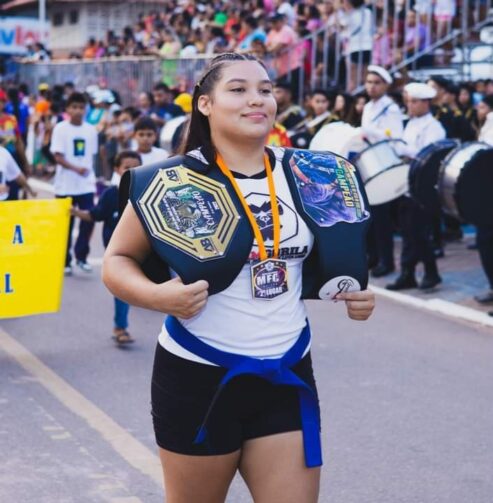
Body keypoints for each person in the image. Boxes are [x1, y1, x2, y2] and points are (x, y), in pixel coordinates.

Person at [102, 52, 375, 502]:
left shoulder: (312, 174)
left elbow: (323, 263)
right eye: (239, 89)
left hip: (287, 371)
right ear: (205, 104)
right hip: (198, 377)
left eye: (265, 89)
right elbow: (117, 261)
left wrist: (358, 296)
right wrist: (157, 297)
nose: (258, 100)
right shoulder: (168, 181)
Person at [71, 151, 142, 343]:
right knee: (125, 288)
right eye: (127, 167)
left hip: (144, 249)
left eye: (136, 166)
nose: (132, 170)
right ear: (117, 169)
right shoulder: (111, 195)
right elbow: (95, 215)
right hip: (119, 253)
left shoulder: (146, 190)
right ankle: (121, 327)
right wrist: (74, 212)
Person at [387, 82, 446, 291]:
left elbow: (427, 156)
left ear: (425, 103)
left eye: (413, 102)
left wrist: (403, 149)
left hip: (422, 187)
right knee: (407, 231)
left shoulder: (434, 127)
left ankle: (431, 272)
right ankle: (408, 273)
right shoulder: (411, 123)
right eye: (408, 101)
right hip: (406, 182)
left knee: (418, 231)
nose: (409, 106)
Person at [361, 66, 404, 278]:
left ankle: (387, 261)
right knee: (370, 216)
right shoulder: (368, 106)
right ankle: (374, 255)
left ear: (385, 85)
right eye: (369, 82)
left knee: (382, 218)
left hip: (385, 163)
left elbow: (395, 136)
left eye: (376, 83)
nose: (371, 86)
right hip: (370, 163)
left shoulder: (391, 109)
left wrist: (371, 133)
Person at [50, 92, 98, 275]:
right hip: (65, 185)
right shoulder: (61, 128)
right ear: (68, 109)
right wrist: (75, 169)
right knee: (65, 225)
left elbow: (90, 156)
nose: (78, 111)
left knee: (88, 220)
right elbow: (58, 156)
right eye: (74, 107)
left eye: (81, 107)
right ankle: (65, 261)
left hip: (85, 185)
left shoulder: (90, 130)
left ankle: (82, 257)